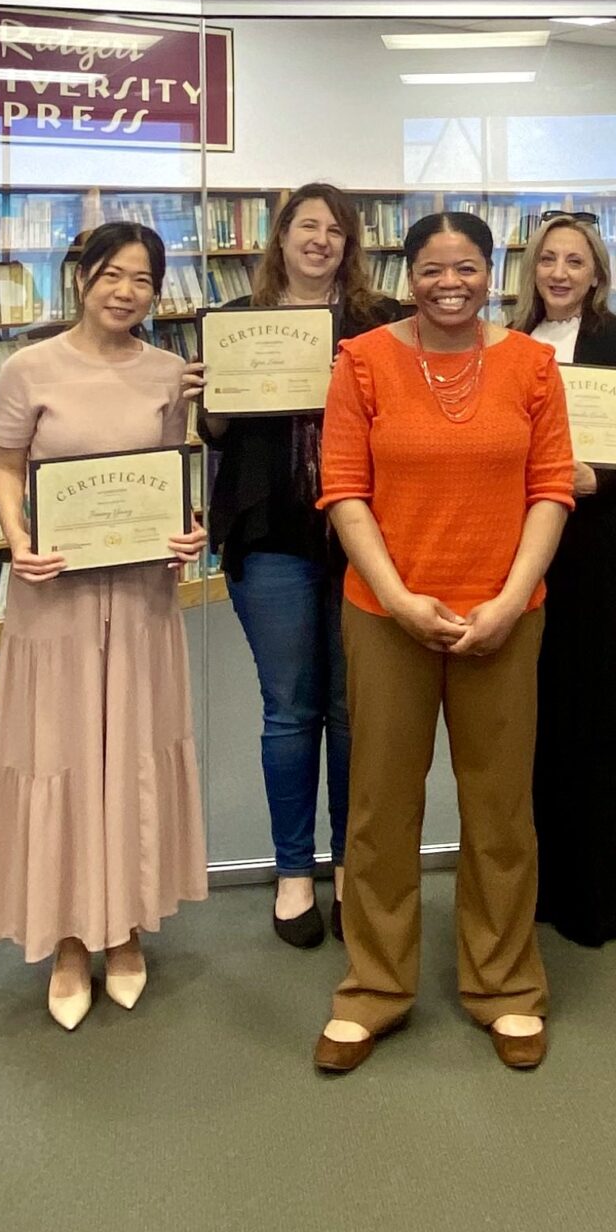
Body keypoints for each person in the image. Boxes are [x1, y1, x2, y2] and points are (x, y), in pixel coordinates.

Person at [312, 211, 572, 1073]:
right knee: (382, 809)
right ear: (408, 272)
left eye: (465, 266)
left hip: (505, 613)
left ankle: (503, 985)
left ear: (490, 270)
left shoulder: (532, 365)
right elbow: (344, 488)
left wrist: (506, 600)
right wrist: (395, 594)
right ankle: (374, 988)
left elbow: (551, 488)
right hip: (387, 615)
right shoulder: (363, 361)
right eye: (430, 269)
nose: (448, 282)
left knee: (500, 810)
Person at [0, 223, 209, 1028]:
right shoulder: (28, 368)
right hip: (57, 595)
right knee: (63, 751)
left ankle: (129, 926)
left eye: (143, 280)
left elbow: (171, 472)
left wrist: (188, 529)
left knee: (136, 748)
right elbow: (4, 467)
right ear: (81, 278)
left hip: (141, 594)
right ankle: (72, 934)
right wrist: (18, 541)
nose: (125, 292)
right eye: (111, 275)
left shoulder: (170, 373)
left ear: (157, 291)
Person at [202, 183, 405, 948]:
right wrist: (217, 396)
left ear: (351, 244)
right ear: (280, 238)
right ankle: (293, 871)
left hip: (365, 537)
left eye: (335, 230)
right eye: (306, 227)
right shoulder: (235, 322)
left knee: (356, 709)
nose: (320, 240)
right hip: (273, 533)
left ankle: (352, 864)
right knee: (289, 707)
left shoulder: (381, 324)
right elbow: (215, 430)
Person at [513, 213, 616, 945]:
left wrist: (591, 478)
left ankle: (600, 895)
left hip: (601, 553)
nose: (561, 273)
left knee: (597, 717)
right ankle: (541, 883)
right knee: (538, 720)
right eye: (549, 260)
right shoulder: (509, 345)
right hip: (525, 552)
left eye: (576, 261)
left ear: (598, 272)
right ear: (532, 270)